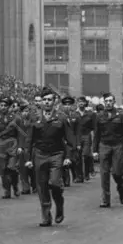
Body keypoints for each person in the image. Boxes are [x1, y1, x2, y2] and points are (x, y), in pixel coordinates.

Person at [25, 89, 75, 226]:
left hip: (56, 154)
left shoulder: (62, 117)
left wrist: (68, 156)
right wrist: (28, 158)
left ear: (54, 102)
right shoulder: (34, 117)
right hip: (40, 154)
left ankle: (59, 204)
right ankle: (46, 217)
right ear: (41, 102)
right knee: (42, 186)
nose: (47, 102)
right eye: (44, 100)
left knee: (54, 183)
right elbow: (29, 140)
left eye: (49, 100)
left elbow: (70, 139)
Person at [93, 93, 123, 207]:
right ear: (104, 102)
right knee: (104, 173)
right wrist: (94, 150)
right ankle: (105, 199)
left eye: (110, 101)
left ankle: (121, 189)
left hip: (117, 146)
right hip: (104, 145)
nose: (108, 103)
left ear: (114, 102)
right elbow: (96, 134)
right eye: (106, 101)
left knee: (117, 172)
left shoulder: (121, 115)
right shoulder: (99, 116)